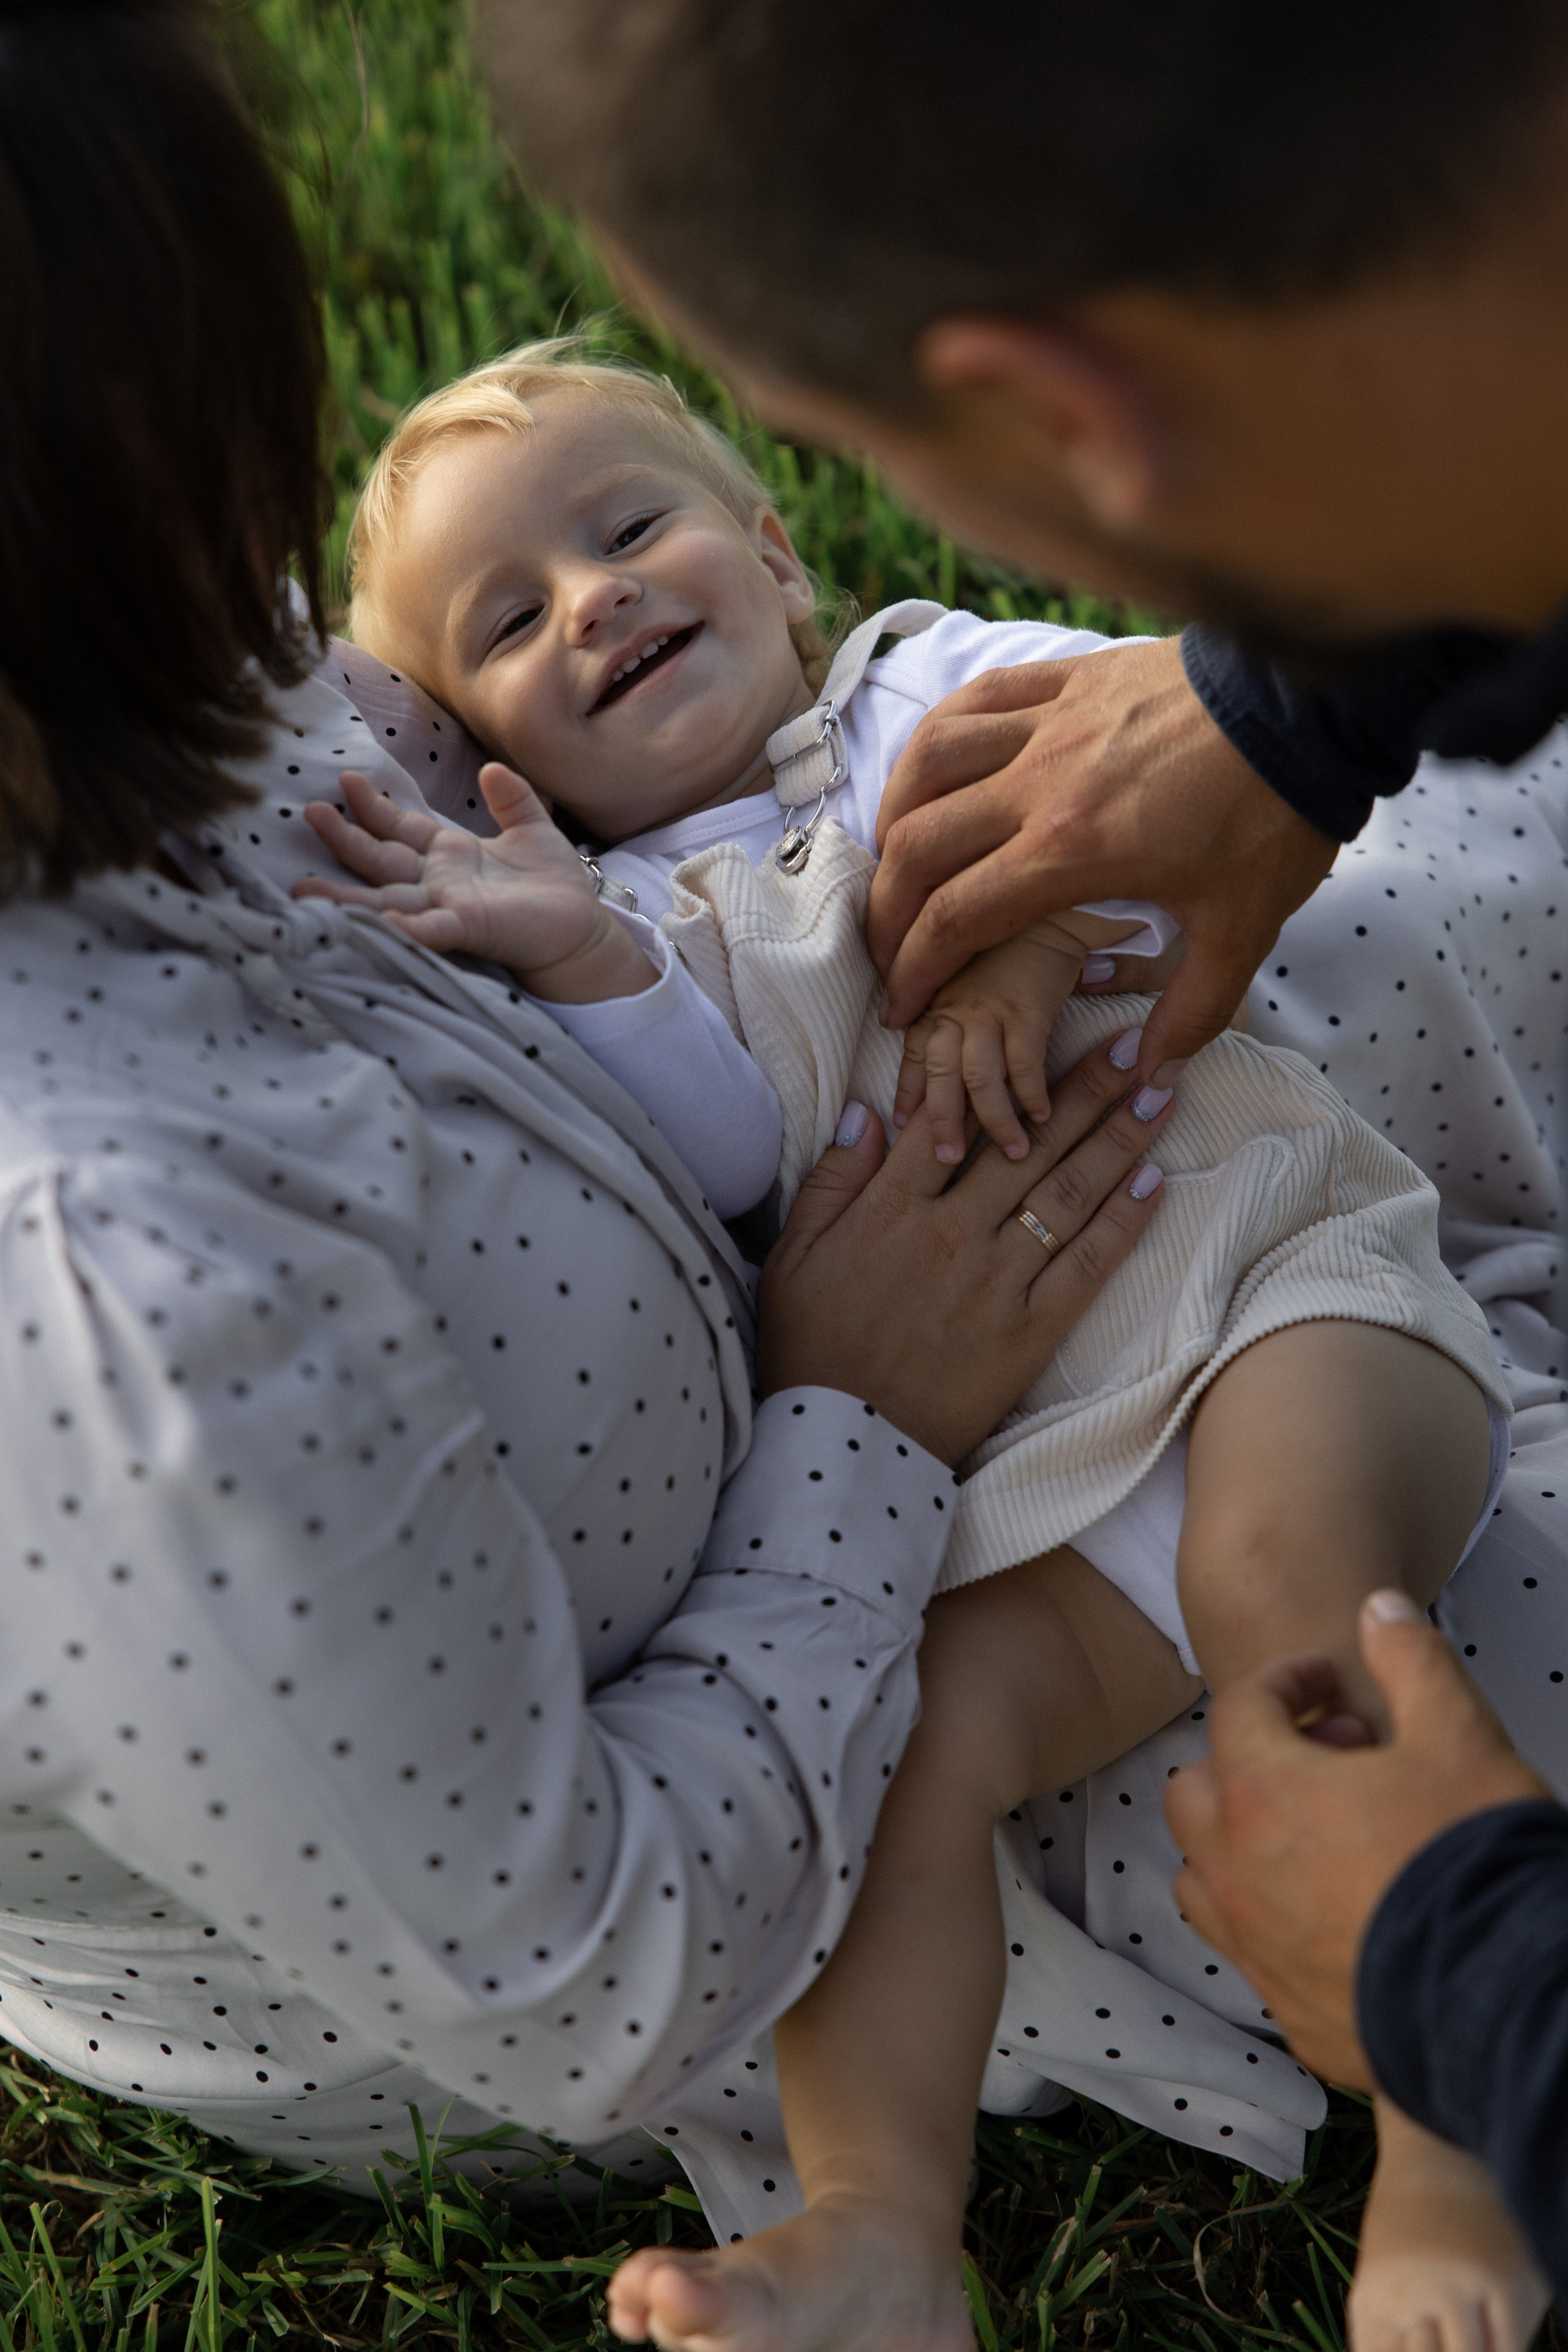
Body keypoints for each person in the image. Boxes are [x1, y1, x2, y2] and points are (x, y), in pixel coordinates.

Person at [0, 0, 1180, 2220]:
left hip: (902, 1211)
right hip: (844, 1801)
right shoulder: (89, 1294)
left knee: (1435, 883)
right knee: (1421, 1574)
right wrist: (865, 1423)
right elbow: (597, 1973)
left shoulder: (119, 635)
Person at [475, 0, 1568, 2329]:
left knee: (1302, 1581)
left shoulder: (911, 695)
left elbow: (1115, 785)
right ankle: (881, 2223)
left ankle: (1460, 2149)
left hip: (1276, 1297)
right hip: (1057, 1470)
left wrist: (1020, 934)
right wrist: (567, 957)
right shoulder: (638, 922)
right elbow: (725, 1129)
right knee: (906, 1749)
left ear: (789, 550)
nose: (591, 599)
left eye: (633, 522)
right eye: (504, 623)